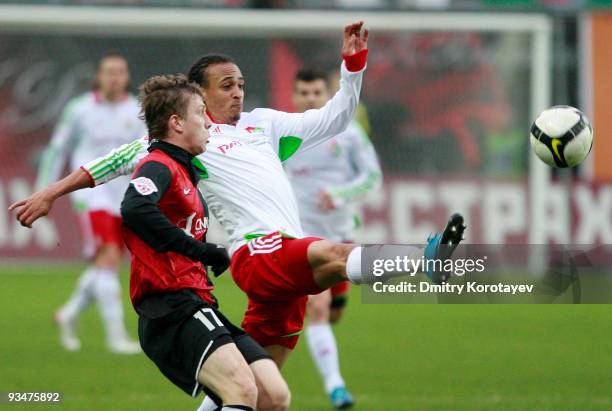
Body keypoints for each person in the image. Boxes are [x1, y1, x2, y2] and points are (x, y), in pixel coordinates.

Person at [10, 21, 465, 387]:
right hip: (257, 252)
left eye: (241, 84)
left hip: (281, 266)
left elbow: (335, 119)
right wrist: (50, 193)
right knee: (334, 254)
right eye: (226, 85)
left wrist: (353, 68)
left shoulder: (263, 126)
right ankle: (425, 260)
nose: (238, 93)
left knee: (262, 393)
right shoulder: (182, 141)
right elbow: (111, 162)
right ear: (198, 94)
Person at [121, 74, 289, 411]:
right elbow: (134, 207)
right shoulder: (159, 165)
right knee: (242, 391)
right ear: (177, 123)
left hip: (196, 300)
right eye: (201, 113)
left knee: (273, 394)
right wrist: (202, 250)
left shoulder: (187, 172)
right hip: (170, 307)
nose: (209, 122)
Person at [284, 67, 382, 409]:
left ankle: (329, 358)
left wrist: (339, 194)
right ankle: (336, 386)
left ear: (327, 96)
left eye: (316, 93)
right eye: (303, 93)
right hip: (302, 238)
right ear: (294, 96)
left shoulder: (350, 134)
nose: (310, 99)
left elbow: (372, 176)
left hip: (341, 234)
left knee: (335, 313)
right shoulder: (283, 134)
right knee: (318, 308)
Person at [35, 53, 145, 354]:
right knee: (108, 257)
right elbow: (57, 149)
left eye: (119, 72)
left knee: (106, 263)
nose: (114, 77)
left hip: (123, 195)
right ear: (99, 76)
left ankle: (68, 314)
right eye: (108, 71)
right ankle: (116, 337)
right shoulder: (79, 109)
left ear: (126, 77)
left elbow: (146, 152)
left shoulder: (137, 111)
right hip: (90, 194)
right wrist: (45, 190)